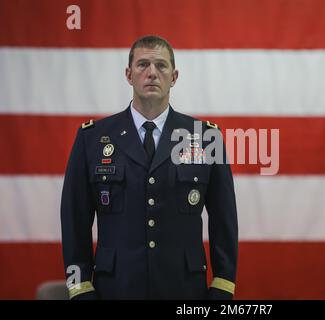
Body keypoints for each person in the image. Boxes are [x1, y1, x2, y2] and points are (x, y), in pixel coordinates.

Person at [60, 35, 238, 300]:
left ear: (174, 76)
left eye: (161, 66)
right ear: (128, 75)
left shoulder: (205, 137)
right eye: (143, 65)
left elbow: (224, 221)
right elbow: (74, 221)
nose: (152, 73)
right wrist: (80, 289)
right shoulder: (92, 138)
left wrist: (222, 287)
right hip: (116, 289)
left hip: (184, 290)